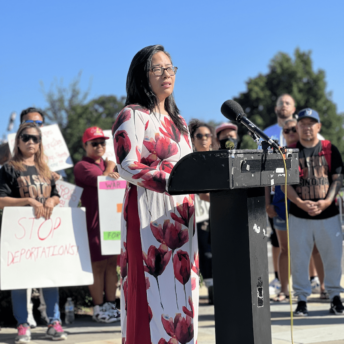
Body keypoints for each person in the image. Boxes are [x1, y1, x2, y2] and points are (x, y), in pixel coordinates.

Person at [113, 45, 198, 344]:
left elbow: (190, 166)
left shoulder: (180, 122)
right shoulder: (132, 115)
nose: (167, 74)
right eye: (158, 68)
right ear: (142, 76)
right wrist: (168, 181)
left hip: (182, 213)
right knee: (151, 288)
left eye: (170, 67)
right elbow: (126, 166)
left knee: (182, 290)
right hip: (149, 212)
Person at [0, 122, 67, 343]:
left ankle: (54, 322)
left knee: (49, 277)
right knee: (20, 279)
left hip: (46, 233)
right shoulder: (9, 168)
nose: (31, 142)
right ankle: (22, 324)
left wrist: (51, 199)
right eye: (26, 138)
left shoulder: (46, 170)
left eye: (35, 139)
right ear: (17, 142)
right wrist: (28, 200)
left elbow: (57, 195)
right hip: (20, 232)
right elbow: (1, 201)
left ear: (40, 144)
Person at [284, 108, 344, 316]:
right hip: (299, 214)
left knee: (333, 256)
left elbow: (337, 180)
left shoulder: (330, 149)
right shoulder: (290, 152)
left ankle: (335, 296)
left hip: (328, 214)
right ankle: (301, 299)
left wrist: (327, 201)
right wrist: (300, 202)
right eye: (303, 123)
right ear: (297, 127)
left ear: (318, 126)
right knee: (299, 258)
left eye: (311, 123)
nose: (307, 127)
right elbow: (285, 184)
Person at [74, 127, 121, 323]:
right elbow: (103, 181)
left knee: (112, 265)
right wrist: (111, 165)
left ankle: (110, 304)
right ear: (85, 145)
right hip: (93, 225)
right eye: (94, 143)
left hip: (112, 224)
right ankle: (98, 307)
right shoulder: (82, 166)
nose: (100, 146)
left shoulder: (106, 164)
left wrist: (110, 166)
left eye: (102, 142)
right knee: (98, 266)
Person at [189, 119, 217, 304]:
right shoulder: (188, 161)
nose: (204, 139)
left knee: (214, 253)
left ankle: (217, 288)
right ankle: (207, 289)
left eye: (207, 135)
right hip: (196, 214)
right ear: (192, 139)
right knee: (203, 254)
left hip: (216, 212)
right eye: (199, 136)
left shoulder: (217, 160)